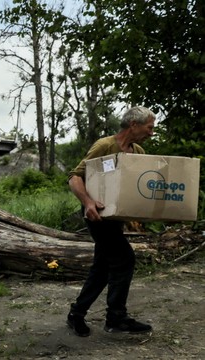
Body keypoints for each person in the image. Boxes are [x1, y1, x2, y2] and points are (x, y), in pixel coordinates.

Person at [66, 106, 156, 337]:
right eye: (149, 127)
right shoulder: (105, 146)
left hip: (116, 217)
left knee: (104, 266)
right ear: (133, 124)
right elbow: (75, 177)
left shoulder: (138, 151)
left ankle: (77, 314)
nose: (151, 133)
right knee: (124, 258)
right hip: (97, 214)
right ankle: (116, 318)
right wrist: (87, 202)